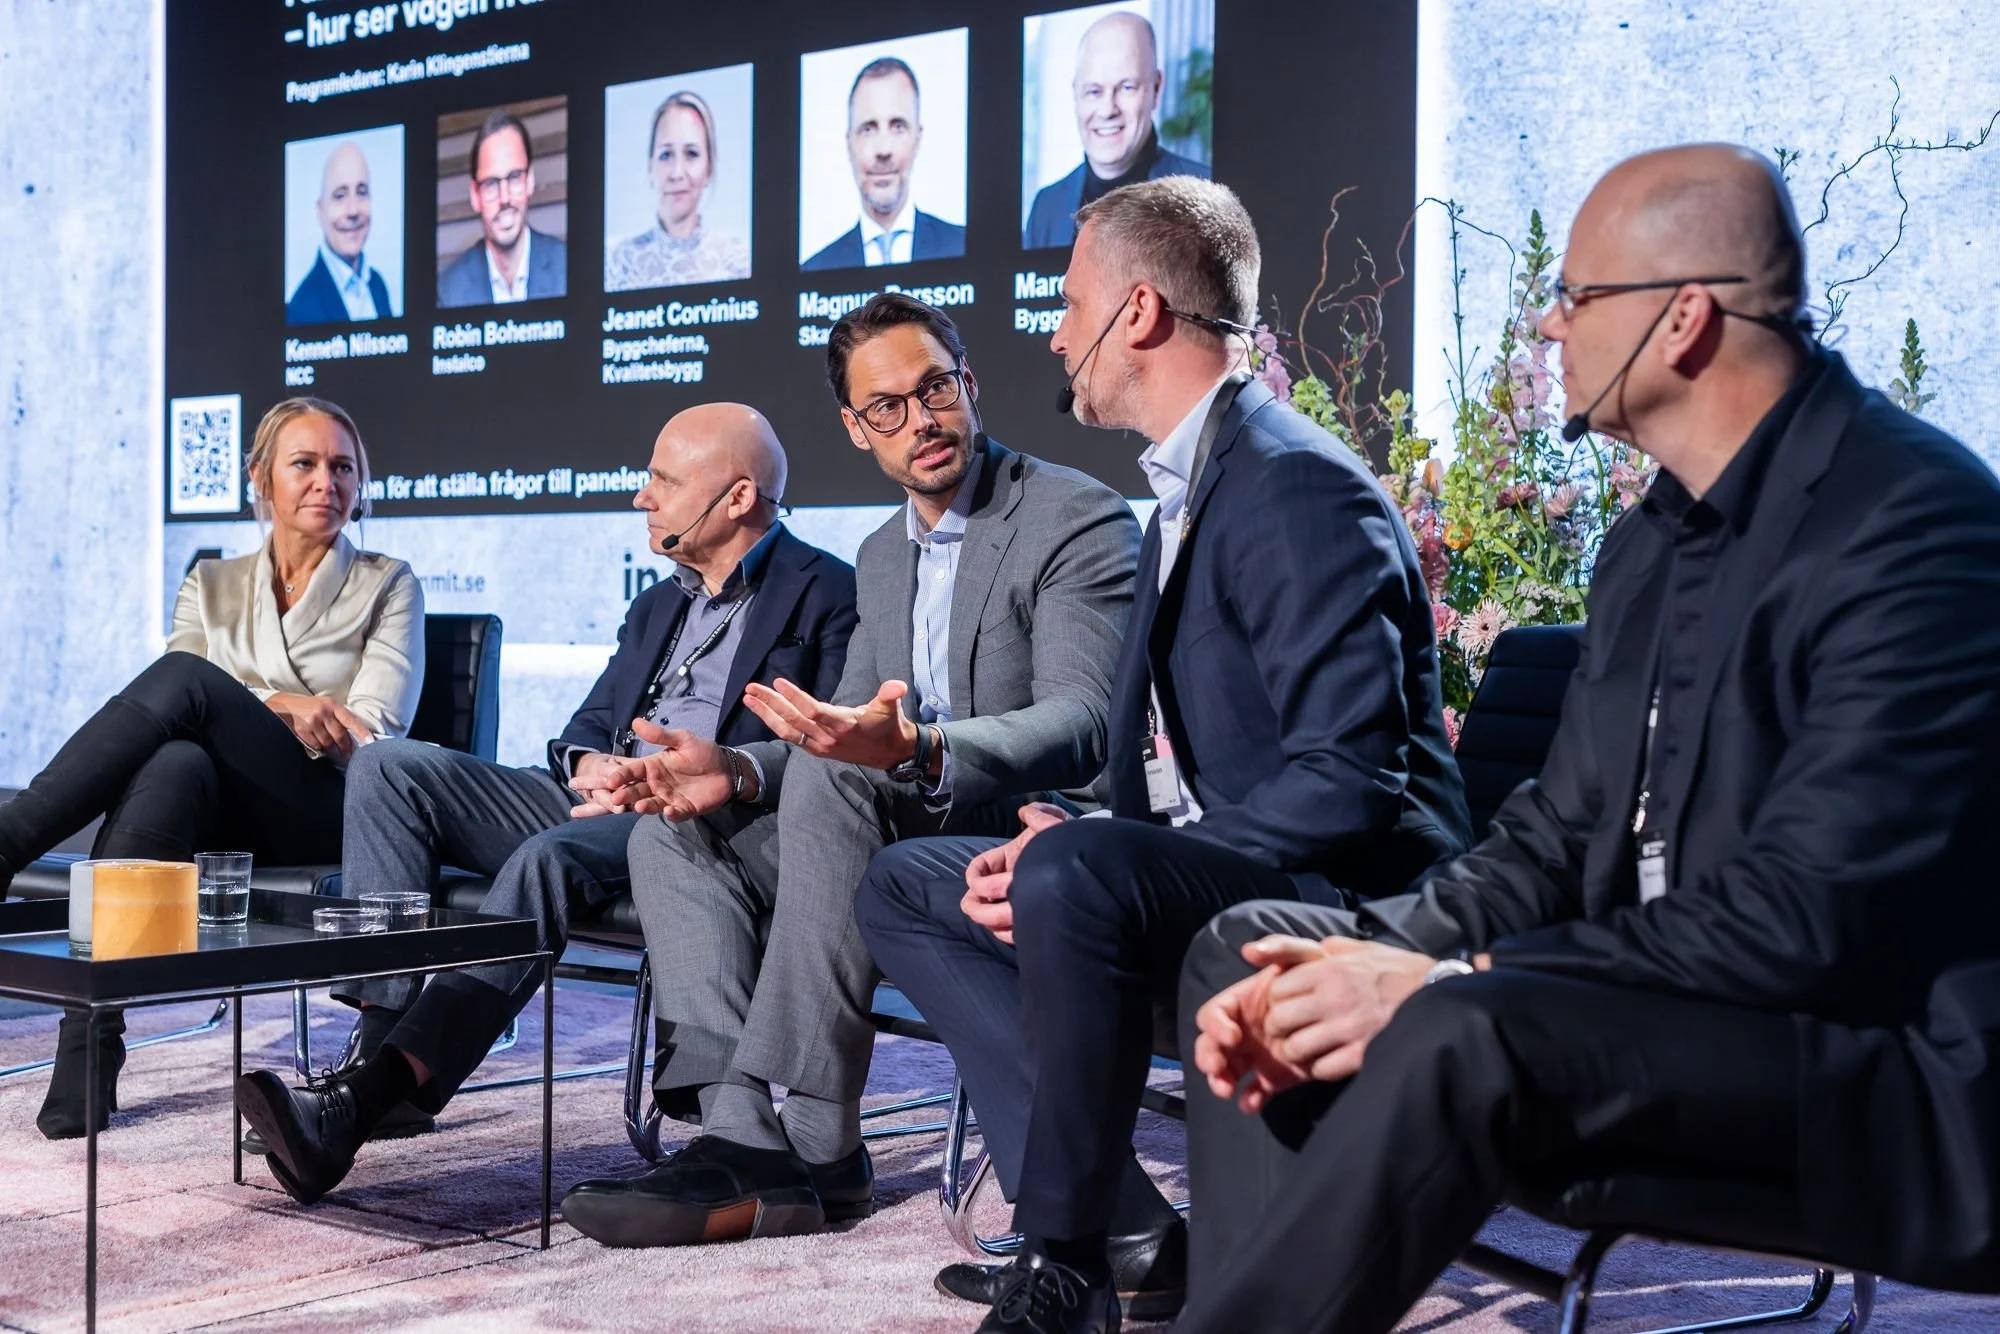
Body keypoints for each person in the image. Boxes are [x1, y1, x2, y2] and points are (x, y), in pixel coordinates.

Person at [1170, 144, 2000, 1334]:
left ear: (1683, 319)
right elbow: (1550, 838)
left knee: (1460, 1025)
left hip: (1877, 1075)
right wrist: (1375, 954)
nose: (1544, 329)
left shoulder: (1912, 524)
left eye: (1571, 296)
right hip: (1660, 1011)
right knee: (1255, 952)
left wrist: (1445, 980)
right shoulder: (1648, 540)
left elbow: (1808, 920)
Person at [857, 176, 1469, 1332]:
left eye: (1066, 299)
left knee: (1069, 873)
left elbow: (1347, 781)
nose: (1050, 330)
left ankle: (1065, 1260)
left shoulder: (1292, 487)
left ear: (1134, 313)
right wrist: (1083, 830)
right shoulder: (1174, 502)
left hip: (1347, 891)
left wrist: (1105, 854)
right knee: (911, 883)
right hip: (1220, 861)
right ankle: (1127, 1225)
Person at [557, 292, 1141, 1248]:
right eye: (887, 408)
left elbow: (1083, 724)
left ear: (970, 385)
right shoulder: (880, 555)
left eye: (935, 390)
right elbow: (850, 734)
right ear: (856, 429)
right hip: (885, 822)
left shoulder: (1075, 516)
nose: (922, 421)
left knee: (833, 781)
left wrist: (923, 748)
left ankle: (822, 1139)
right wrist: (734, 776)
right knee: (675, 831)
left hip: (1016, 835)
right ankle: (746, 1131)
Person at [231, 404, 859, 1203]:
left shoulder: (828, 592)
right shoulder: (659, 603)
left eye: (663, 481)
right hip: (598, 797)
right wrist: (590, 762)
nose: (642, 498)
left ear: (738, 498)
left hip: (695, 820)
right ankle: (379, 1044)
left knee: (547, 859)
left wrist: (681, 776)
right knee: (387, 766)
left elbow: (824, 752)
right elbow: (582, 730)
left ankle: (367, 1098)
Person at [0, 397, 422, 1139]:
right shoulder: (213, 581)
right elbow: (201, 705)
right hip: (219, 806)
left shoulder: (390, 582)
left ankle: (12, 840)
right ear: (261, 478)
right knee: (174, 761)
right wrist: (287, 703)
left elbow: (375, 731)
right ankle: (89, 1042)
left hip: (331, 806)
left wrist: (257, 706)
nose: (327, 481)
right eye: (305, 464)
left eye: (343, 467)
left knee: (187, 683)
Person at [1023, 12, 1210, 251]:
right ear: (1076, 95)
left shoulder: (1207, 193)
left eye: (1126, 87)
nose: (1107, 109)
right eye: (1094, 91)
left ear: (1156, 88)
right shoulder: (1046, 208)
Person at [802, 58, 966, 271]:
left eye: (897, 127)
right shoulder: (815, 268)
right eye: (868, 129)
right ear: (849, 142)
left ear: (918, 138)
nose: (883, 150)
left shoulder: (962, 244)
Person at [605, 89, 751, 292]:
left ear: (710, 168)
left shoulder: (738, 262)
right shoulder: (616, 262)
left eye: (691, 154)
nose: (676, 173)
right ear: (650, 167)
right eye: (666, 155)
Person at [437, 109, 569, 308]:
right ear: (475, 195)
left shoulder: (567, 267)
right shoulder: (448, 290)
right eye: (491, 183)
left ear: (530, 181)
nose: (505, 198)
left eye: (514, 177)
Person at [287, 143, 396, 325]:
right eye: (340, 196)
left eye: (361, 193)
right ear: (321, 212)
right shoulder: (301, 308)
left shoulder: (377, 284)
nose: (353, 211)